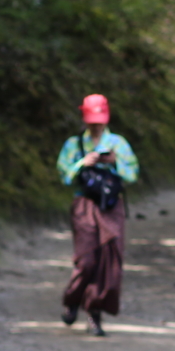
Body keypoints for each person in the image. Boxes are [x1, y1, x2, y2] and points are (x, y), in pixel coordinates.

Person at [57, 94, 139, 336]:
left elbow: (132, 173)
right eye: (92, 120)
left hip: (112, 205)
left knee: (109, 260)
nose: (96, 125)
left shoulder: (118, 143)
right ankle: (72, 300)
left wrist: (114, 162)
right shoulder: (74, 144)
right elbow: (64, 175)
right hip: (84, 204)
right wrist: (83, 163)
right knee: (87, 260)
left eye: (99, 120)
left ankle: (95, 314)